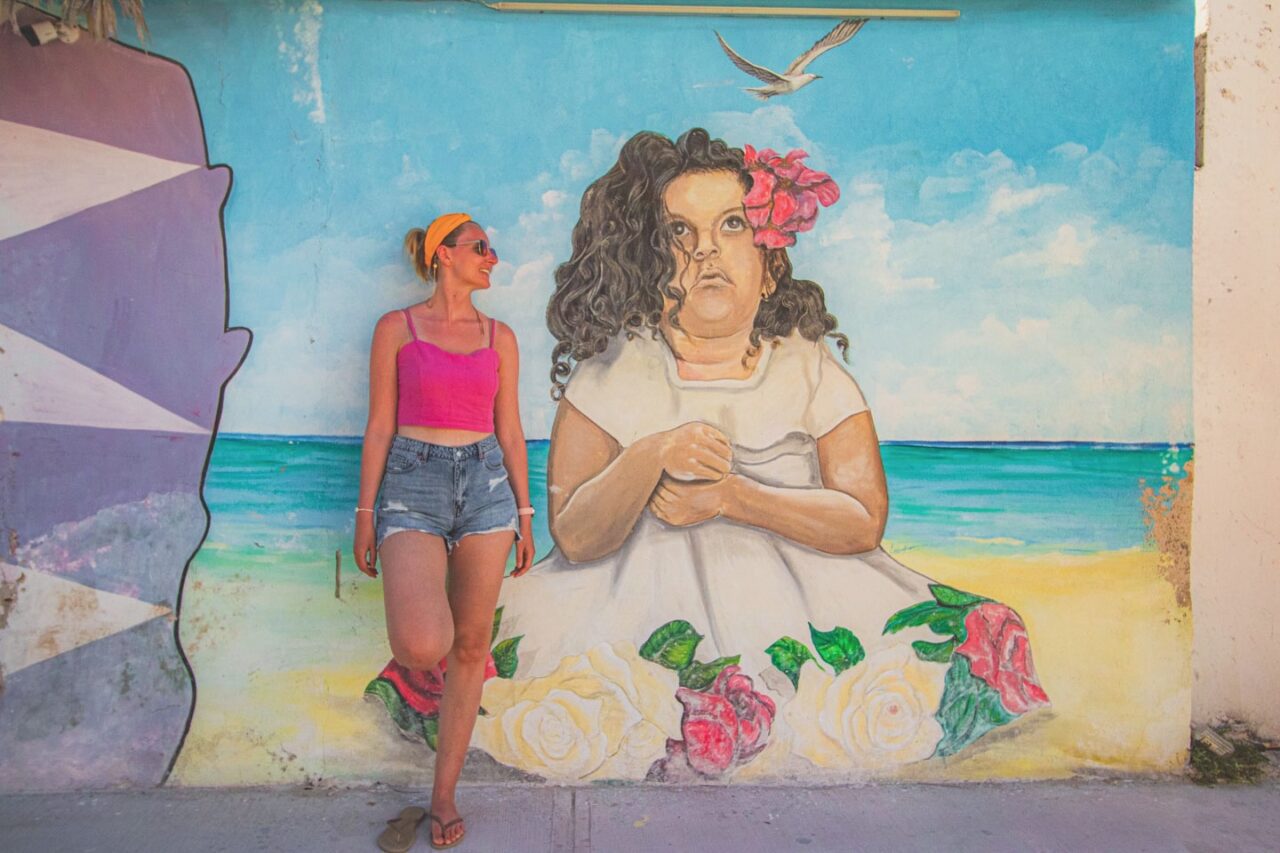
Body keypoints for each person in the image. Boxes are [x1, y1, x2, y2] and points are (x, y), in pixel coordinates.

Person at [462, 129, 1050, 784]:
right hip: (631, 592)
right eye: (678, 233)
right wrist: (651, 453)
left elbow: (862, 517)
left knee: (960, 642)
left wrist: (732, 497)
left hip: (807, 590)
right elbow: (574, 532)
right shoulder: (614, 372)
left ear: (769, 267)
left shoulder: (806, 368)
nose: (706, 249)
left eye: (731, 225)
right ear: (646, 267)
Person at [355, 212, 535, 850]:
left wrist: (524, 511)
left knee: (471, 645)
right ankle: (437, 780)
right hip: (413, 481)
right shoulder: (396, 330)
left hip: (486, 483)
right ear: (443, 255)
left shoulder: (499, 336)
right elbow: (379, 426)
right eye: (480, 247)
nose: (492, 256)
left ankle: (443, 794)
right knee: (422, 642)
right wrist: (366, 513)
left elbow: (510, 430)